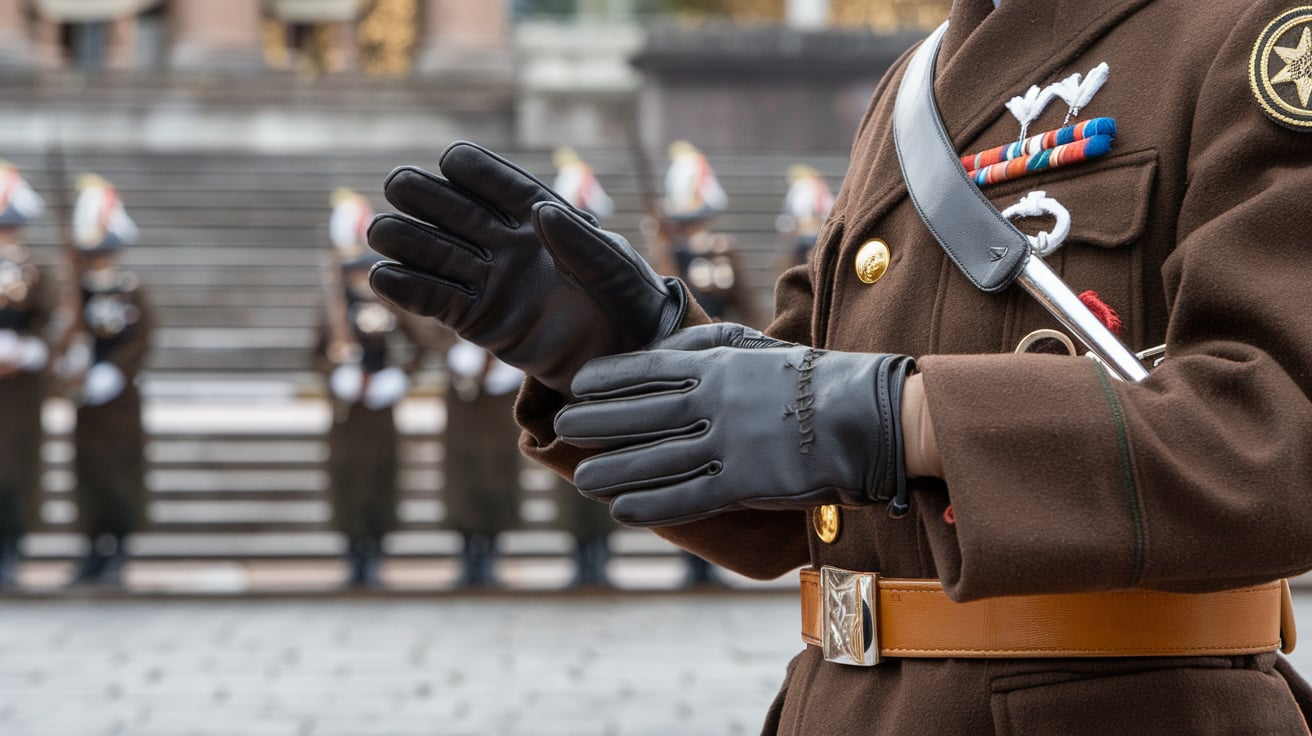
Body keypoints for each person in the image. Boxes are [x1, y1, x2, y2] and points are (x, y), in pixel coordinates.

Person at [365, 0, 1312, 727]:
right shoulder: (917, 82)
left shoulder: (1252, 38)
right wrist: (622, 354)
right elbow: (808, 491)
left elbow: (1280, 435)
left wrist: (895, 417)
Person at [318, 188, 424, 589]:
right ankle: (352, 556)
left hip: (380, 410)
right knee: (348, 482)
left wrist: (399, 378)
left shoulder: (391, 304)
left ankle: (376, 553)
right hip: (348, 416)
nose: (358, 277)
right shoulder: (331, 309)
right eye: (352, 271)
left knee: (379, 481)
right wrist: (334, 374)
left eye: (365, 268)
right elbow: (313, 356)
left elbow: (419, 348)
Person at [65, 173, 151, 588]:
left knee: (120, 472)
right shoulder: (74, 291)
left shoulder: (130, 291)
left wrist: (116, 370)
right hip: (85, 399)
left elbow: (142, 337)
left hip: (119, 399)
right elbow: (60, 333)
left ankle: (119, 545)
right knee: (89, 473)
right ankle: (91, 546)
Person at [549, 146, 619, 587]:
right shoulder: (547, 270)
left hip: (608, 384)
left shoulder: (615, 266)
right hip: (563, 386)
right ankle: (578, 557)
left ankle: (601, 557)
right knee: (571, 474)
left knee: (607, 476)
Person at [0, 161, 51, 590]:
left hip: (18, 389)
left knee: (14, 470)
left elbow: (52, 319)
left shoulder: (36, 270)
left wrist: (30, 348)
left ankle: (13, 545)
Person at [441, 337, 525, 589]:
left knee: (498, 487)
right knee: (463, 492)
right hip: (463, 429)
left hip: (498, 425)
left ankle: (490, 558)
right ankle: (467, 559)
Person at [774, 163, 833, 270]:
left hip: (805, 236)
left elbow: (798, 212)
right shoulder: (819, 187)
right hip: (816, 234)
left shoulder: (800, 188)